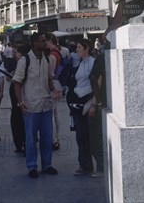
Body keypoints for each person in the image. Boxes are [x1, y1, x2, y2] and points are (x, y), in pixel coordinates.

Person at [13, 32, 59, 178]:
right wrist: (20, 102)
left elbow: (49, 78)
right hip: (31, 106)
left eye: (45, 41)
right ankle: (32, 166)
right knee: (31, 138)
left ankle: (47, 164)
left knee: (47, 137)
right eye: (41, 41)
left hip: (46, 104)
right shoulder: (24, 61)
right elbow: (17, 83)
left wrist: (53, 90)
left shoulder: (47, 59)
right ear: (33, 43)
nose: (44, 43)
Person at [68, 38, 96, 176]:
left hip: (89, 102)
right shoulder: (79, 63)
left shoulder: (92, 63)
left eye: (79, 47)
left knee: (88, 135)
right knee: (81, 135)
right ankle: (84, 164)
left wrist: (93, 103)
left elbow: (96, 84)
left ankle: (91, 164)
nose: (77, 49)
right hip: (78, 103)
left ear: (86, 49)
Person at [89, 40, 107, 178]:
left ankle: (102, 166)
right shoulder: (104, 57)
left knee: (97, 137)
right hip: (106, 103)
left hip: (102, 104)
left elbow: (94, 79)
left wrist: (97, 102)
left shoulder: (101, 57)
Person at [44, 32, 63, 151]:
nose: (44, 44)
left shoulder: (52, 55)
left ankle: (54, 139)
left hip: (53, 85)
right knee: (56, 114)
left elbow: (50, 74)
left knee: (52, 114)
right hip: (58, 84)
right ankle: (57, 138)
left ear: (49, 42)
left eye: (45, 42)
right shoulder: (59, 51)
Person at [8, 46, 26, 154]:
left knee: (19, 118)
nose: (15, 54)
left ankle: (22, 142)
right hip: (15, 92)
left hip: (20, 92)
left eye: (16, 52)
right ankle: (19, 143)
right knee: (16, 116)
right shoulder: (14, 63)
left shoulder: (23, 63)